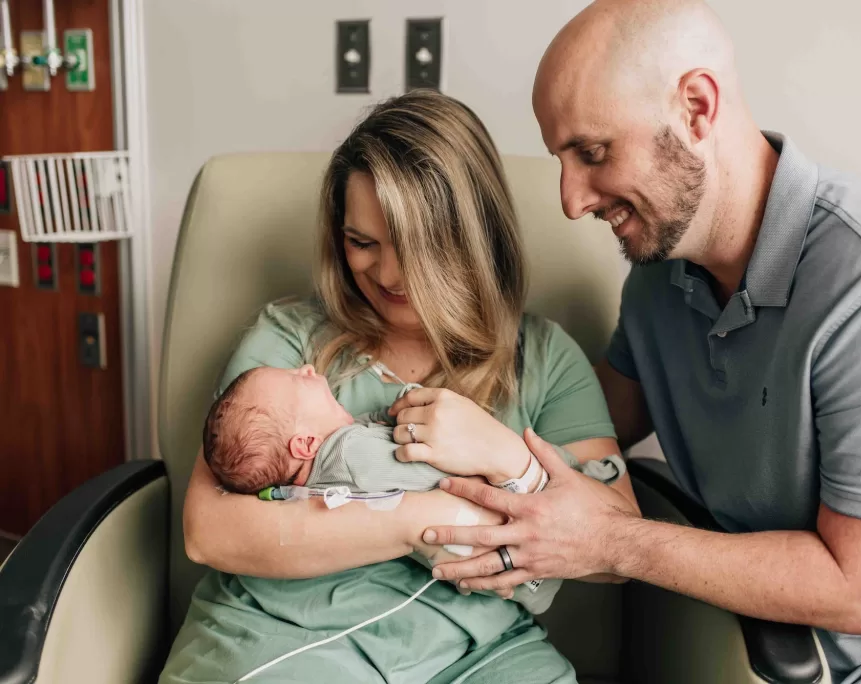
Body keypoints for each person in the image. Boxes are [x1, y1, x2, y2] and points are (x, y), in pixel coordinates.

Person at [419, 2, 861, 683]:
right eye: (563, 158)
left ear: (696, 108)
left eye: (592, 153)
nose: (569, 200)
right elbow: (588, 418)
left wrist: (611, 541)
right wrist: (391, 427)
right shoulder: (658, 283)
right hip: (754, 646)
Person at [159, 89, 638, 683]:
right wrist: (422, 517)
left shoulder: (544, 360)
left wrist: (503, 451)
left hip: (480, 654)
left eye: (415, 247)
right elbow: (209, 532)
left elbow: (618, 551)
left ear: (475, 238)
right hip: (283, 637)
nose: (385, 274)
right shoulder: (286, 346)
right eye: (362, 243)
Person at [201, 362, 626, 614]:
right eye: (297, 379)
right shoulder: (350, 455)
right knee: (563, 472)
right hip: (513, 538)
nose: (307, 368)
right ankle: (596, 476)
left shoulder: (339, 456)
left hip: (525, 555)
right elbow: (419, 465)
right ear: (306, 443)